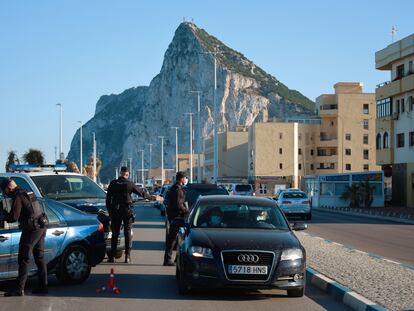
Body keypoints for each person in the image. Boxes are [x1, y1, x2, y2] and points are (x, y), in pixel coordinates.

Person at [1, 178, 48, 297]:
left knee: (23, 258)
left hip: (32, 230)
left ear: (8, 188)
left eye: (5, 190)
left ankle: (19, 289)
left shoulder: (17, 197)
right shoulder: (27, 192)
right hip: (41, 226)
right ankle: (43, 286)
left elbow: (14, 217)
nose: (5, 193)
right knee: (39, 257)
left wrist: (4, 214)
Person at [106, 166, 154, 263]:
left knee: (115, 233)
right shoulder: (130, 184)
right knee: (127, 233)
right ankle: (127, 257)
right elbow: (142, 193)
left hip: (115, 211)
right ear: (127, 174)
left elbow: (108, 200)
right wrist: (153, 197)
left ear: (120, 173)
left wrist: (110, 211)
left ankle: (112, 257)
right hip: (127, 211)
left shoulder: (113, 183)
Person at [163, 171, 189, 266]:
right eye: (185, 177)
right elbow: (179, 204)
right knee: (173, 239)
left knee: (175, 239)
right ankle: (168, 259)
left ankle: (174, 259)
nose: (186, 179)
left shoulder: (174, 188)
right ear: (181, 178)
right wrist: (186, 211)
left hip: (173, 216)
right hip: (177, 216)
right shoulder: (177, 189)